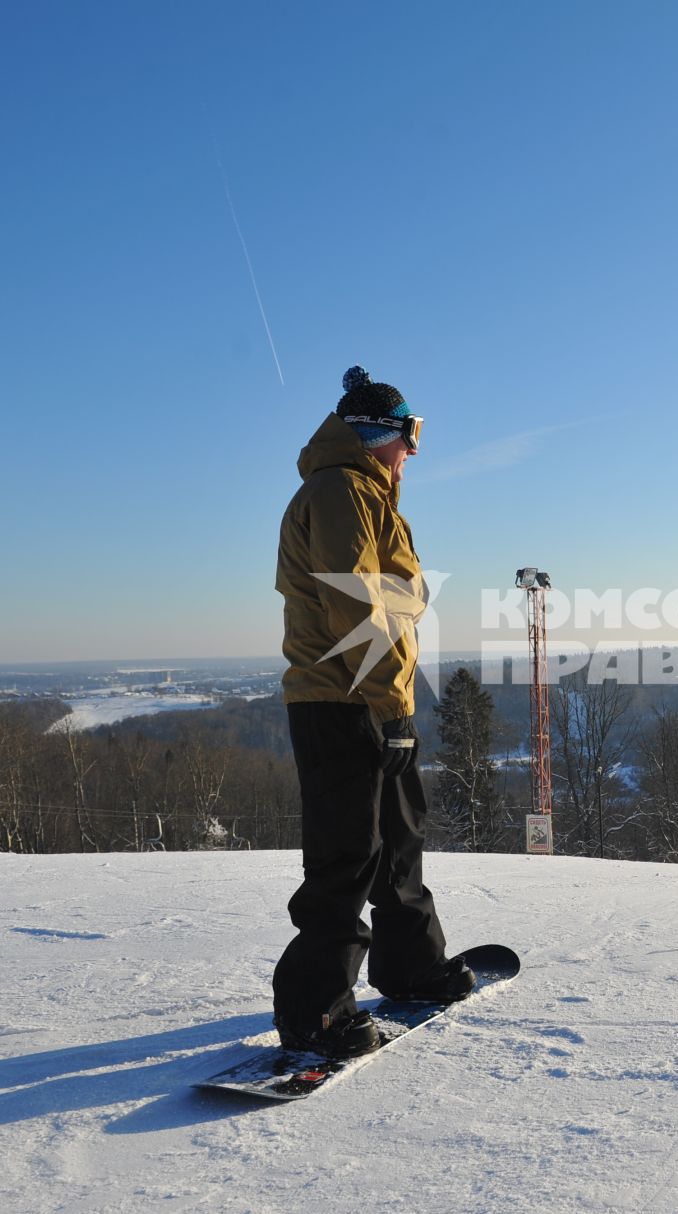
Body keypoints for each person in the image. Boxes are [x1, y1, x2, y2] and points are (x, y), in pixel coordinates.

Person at [271, 366, 475, 1058]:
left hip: (375, 696)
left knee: (397, 837)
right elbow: (357, 606)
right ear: (376, 435)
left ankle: (408, 962)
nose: (412, 452)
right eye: (408, 436)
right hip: (341, 699)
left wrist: (397, 706)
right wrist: (391, 706)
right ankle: (314, 1007)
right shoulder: (339, 492)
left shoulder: (366, 494)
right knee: (348, 852)